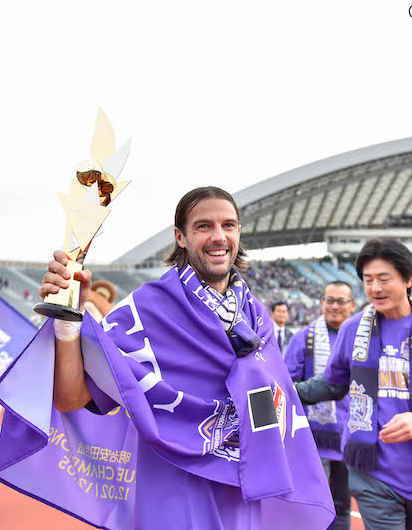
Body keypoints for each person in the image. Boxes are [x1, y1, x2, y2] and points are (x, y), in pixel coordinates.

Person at [33, 186, 335, 529]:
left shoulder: (256, 317)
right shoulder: (146, 310)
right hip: (173, 496)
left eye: (229, 225)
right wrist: (68, 321)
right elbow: (71, 397)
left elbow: (277, 410)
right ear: (181, 236)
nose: (219, 236)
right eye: (203, 226)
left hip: (241, 495)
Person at [295, 238, 412, 530]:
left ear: (408, 279)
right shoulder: (353, 330)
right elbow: (331, 384)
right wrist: (285, 391)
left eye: (384, 279)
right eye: (368, 280)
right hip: (372, 473)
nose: (375, 288)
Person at [285, 281, 356, 530]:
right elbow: (286, 384)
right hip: (313, 438)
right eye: (330, 300)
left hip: (349, 436)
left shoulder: (360, 339)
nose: (335, 306)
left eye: (341, 301)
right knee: (314, 505)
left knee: (343, 504)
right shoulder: (303, 338)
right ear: (322, 303)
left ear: (352, 305)